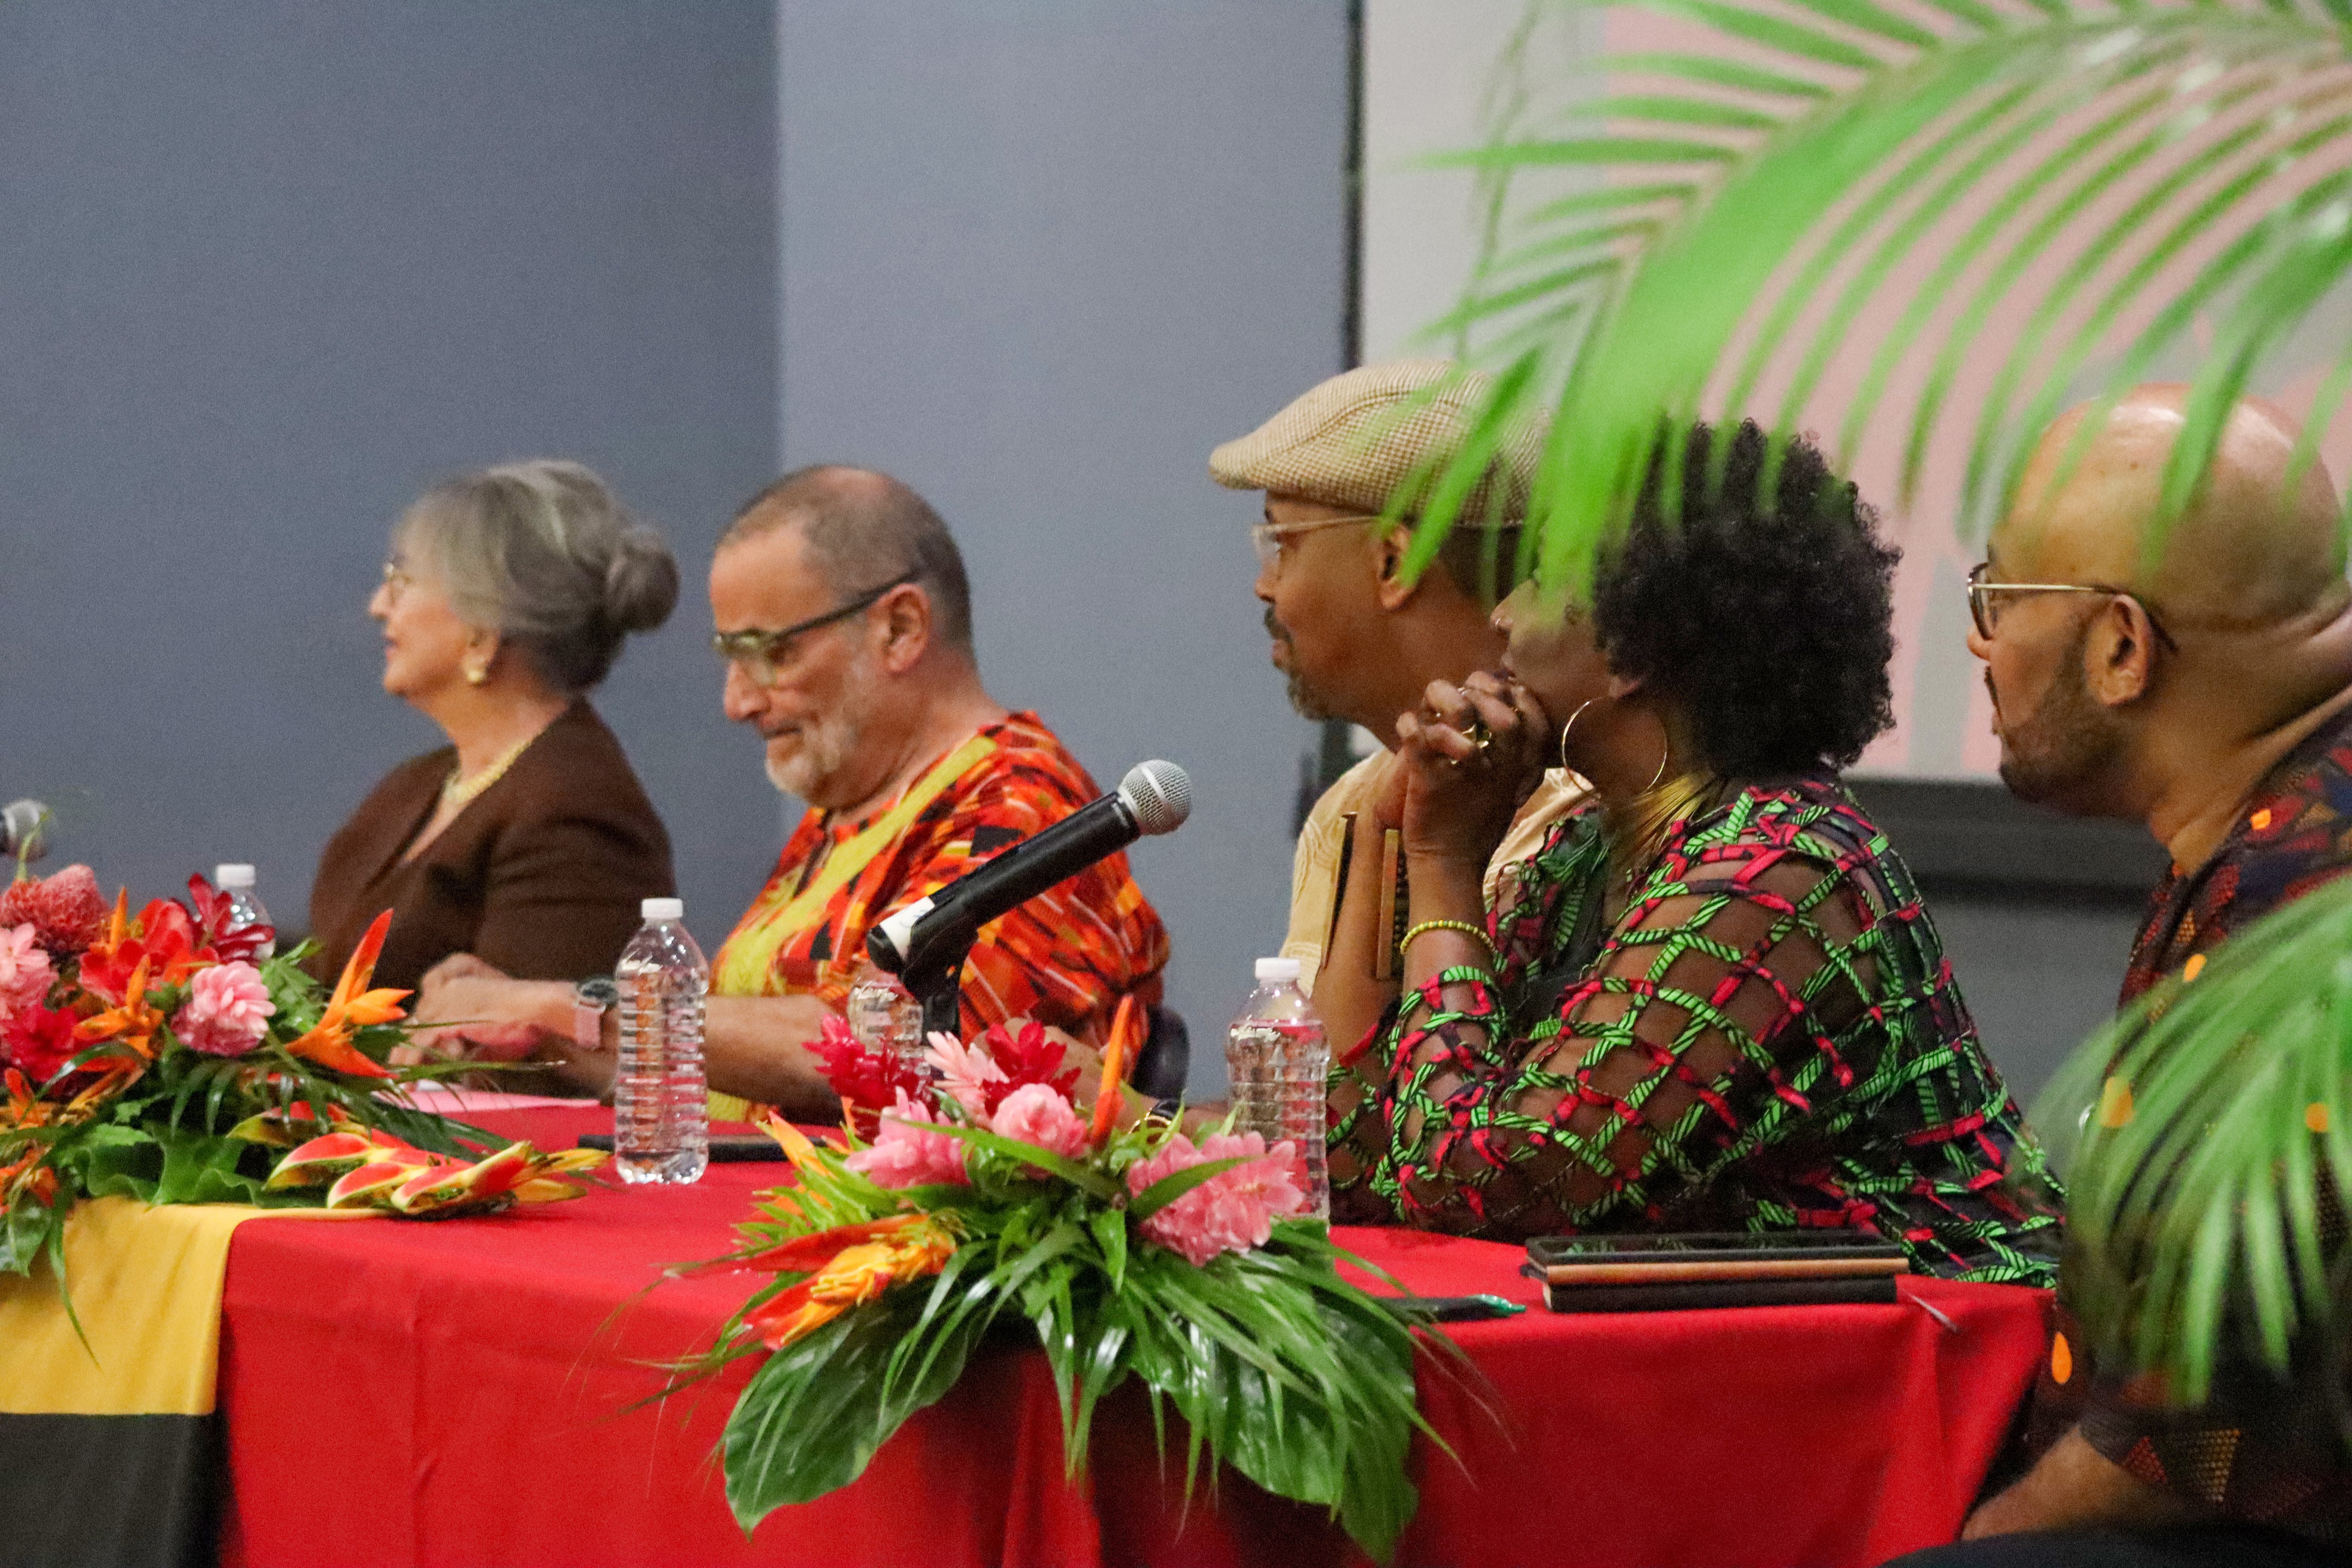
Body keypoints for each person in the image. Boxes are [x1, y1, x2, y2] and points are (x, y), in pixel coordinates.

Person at [1312, 420, 2062, 1283]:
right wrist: (1392, 834)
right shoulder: (1582, 854)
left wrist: (1445, 869)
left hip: (1956, 1376)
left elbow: (1481, 1180)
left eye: (1540, 579)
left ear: (1636, 645)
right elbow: (1347, 1162)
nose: (1502, 615)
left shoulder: (1783, 871)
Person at [415, 466, 1169, 1118]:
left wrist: (566, 1009)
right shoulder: (850, 810)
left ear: (901, 628)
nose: (737, 702)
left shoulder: (1021, 803)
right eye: (731, 658)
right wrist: (520, 1022)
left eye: (769, 653)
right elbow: (722, 1075)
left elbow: (893, 1044)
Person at [1944, 386, 2352, 1556]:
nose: (1981, 645)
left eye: (1999, 598)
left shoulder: (2298, 914)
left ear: (2121, 647)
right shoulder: (2267, 829)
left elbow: (2185, 1449)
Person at [1211, 359, 1589, 995]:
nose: (1263, 585)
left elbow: (1452, 1096)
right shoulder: (1352, 807)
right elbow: (1331, 1090)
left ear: (1395, 561)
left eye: (1283, 543)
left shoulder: (1571, 819)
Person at [307, 460, 677, 994]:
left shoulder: (576, 814)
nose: (378, 607)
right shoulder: (413, 785)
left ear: (482, 628)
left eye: (402, 581)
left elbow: (541, 1059)